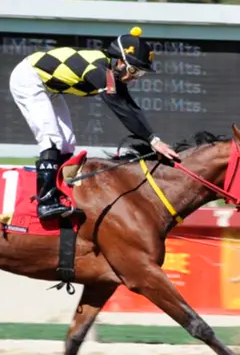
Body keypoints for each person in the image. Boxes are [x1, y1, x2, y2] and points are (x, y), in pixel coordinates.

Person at [8, 26, 181, 220]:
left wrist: (154, 139)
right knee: (52, 140)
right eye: (133, 71)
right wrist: (152, 141)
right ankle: (45, 202)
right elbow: (118, 107)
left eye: (139, 74)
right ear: (120, 62)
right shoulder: (99, 70)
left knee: (68, 144)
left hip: (49, 87)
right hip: (28, 79)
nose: (133, 78)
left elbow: (131, 107)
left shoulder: (111, 70)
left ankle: (62, 193)